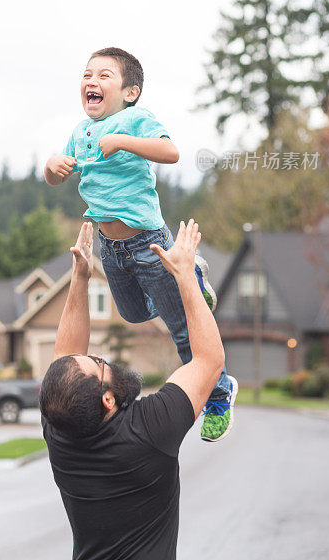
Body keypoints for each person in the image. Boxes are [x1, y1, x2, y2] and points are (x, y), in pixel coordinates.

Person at [44, 46, 237, 440]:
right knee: (132, 314)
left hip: (149, 244)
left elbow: (170, 151)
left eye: (103, 76)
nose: (91, 82)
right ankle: (193, 283)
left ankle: (219, 393)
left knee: (180, 328)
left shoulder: (135, 119)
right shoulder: (80, 132)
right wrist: (52, 166)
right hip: (111, 249)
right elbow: (57, 177)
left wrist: (122, 140)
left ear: (129, 92)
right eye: (86, 75)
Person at [40, 219, 228, 560]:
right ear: (108, 399)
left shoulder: (64, 424)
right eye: (98, 365)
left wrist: (81, 276)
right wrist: (185, 275)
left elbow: (64, 357)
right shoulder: (147, 432)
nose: (100, 357)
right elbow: (209, 361)